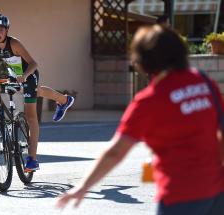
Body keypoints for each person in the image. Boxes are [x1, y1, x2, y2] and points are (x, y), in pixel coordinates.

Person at [56, 25, 224, 215]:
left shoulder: (150, 100)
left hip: (180, 197)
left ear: (143, 61)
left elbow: (116, 152)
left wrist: (83, 187)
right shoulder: (203, 82)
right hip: (217, 192)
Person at [0, 13, 74, 172]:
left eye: (1, 30)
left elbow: (34, 63)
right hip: (14, 73)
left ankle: (32, 159)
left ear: (6, 31)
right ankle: (64, 100)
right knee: (37, 92)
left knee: (30, 115)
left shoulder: (15, 44)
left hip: (29, 73)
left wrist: (25, 76)